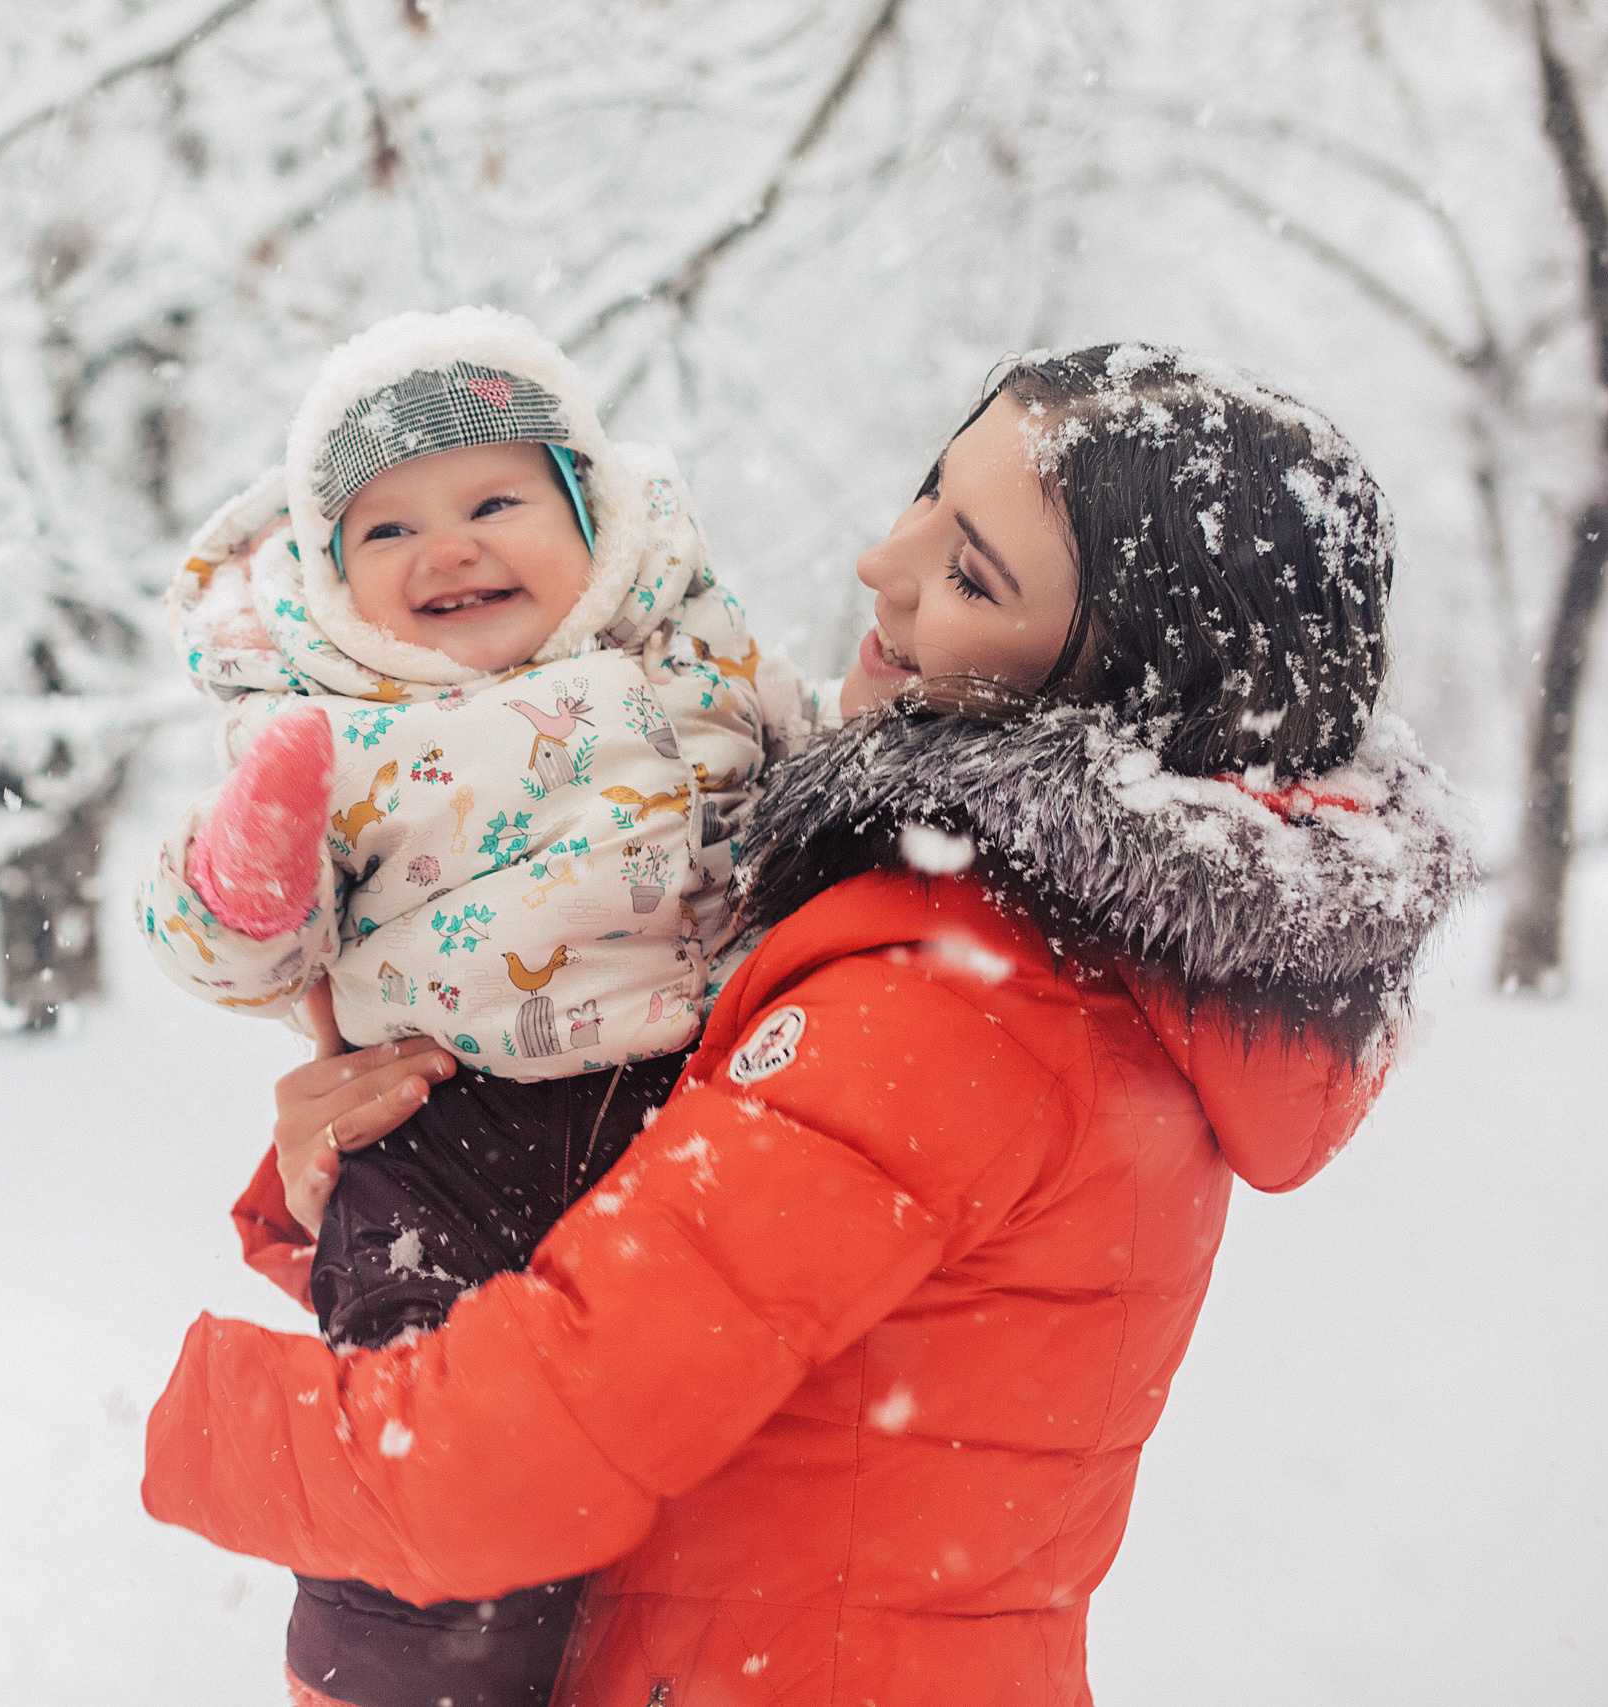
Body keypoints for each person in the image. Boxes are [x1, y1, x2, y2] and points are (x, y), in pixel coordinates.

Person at [143, 344, 1475, 1706]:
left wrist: (203, 1430)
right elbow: (697, 1307)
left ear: (1125, 683)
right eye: (925, 498)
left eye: (971, 574)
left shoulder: (957, 1004)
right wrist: (417, 1143)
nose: (881, 565)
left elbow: (498, 1470)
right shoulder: (1058, 954)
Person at [136, 306, 824, 1707]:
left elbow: (797, 784)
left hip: (667, 1111)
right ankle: (407, 1675)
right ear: (330, 588)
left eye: (496, 501)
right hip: (439, 1132)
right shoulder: (339, 726)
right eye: (383, 534)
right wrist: (247, 876)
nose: (444, 549)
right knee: (421, 1435)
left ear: (600, 525)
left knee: (647, 1412)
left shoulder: (685, 666)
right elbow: (239, 956)